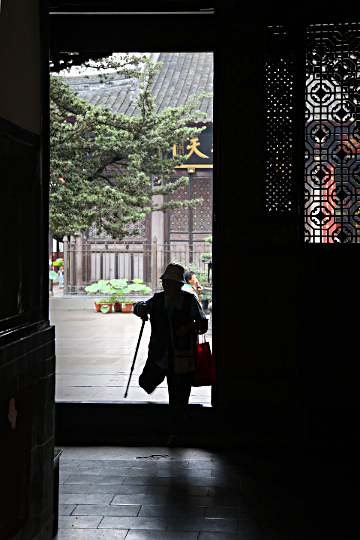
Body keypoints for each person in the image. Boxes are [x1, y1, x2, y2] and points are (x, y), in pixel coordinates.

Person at [134, 263, 208, 446]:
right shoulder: (158, 299)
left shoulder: (189, 301)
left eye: (169, 283)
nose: (165, 286)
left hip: (182, 357)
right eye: (164, 282)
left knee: (179, 396)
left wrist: (189, 326)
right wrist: (140, 308)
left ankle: (176, 432)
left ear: (179, 285)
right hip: (160, 355)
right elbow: (140, 307)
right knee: (145, 381)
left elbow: (203, 324)